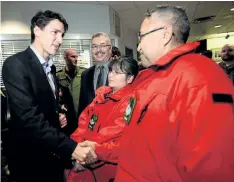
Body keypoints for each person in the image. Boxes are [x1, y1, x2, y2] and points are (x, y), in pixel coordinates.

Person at [115, 5, 234, 182]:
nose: (138, 47)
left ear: (164, 34)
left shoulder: (200, 78)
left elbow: (212, 169)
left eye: (141, 36)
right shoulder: (152, 77)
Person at [2, 10, 96, 182]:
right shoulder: (15, 64)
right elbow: (29, 119)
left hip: (52, 156)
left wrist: (57, 114)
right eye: (55, 32)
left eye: (62, 35)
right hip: (30, 161)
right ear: (37, 30)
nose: (60, 40)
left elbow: (46, 104)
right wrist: (71, 148)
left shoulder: (50, 68)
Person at [65, 56, 139, 182]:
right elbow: (84, 123)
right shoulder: (102, 95)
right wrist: (74, 148)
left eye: (117, 73)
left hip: (104, 167)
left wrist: (85, 154)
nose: (111, 75)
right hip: (82, 158)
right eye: (111, 71)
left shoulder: (131, 103)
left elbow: (113, 135)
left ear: (130, 78)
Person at [78, 32, 112, 116]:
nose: (98, 50)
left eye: (103, 46)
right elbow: (82, 105)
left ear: (110, 48)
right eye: (94, 46)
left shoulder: (121, 72)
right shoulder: (85, 74)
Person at [57, 48, 86, 135]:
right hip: (67, 119)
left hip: (83, 117)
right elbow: (55, 97)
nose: (76, 59)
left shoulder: (84, 73)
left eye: (76, 57)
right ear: (65, 58)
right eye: (73, 57)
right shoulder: (58, 76)